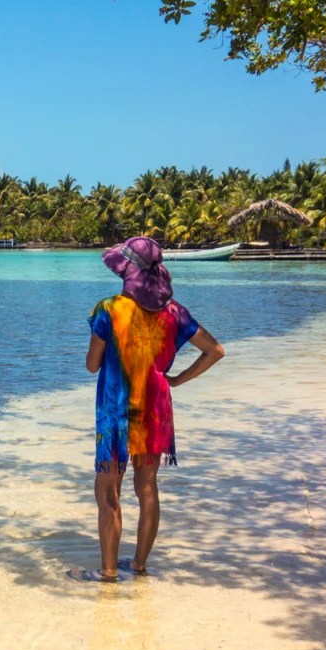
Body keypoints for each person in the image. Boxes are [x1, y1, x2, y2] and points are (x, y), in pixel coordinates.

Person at [82, 237, 224, 582]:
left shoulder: (109, 310)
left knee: (108, 492)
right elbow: (215, 350)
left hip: (117, 411)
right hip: (155, 410)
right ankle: (140, 565)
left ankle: (109, 573)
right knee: (147, 489)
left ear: (127, 271)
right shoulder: (175, 312)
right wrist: (175, 380)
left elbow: (91, 365)